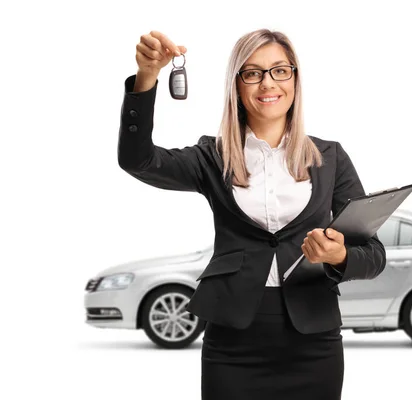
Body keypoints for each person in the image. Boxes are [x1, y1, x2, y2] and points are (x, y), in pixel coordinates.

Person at [117, 29, 386, 400]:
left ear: (294, 79)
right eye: (253, 72)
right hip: (233, 339)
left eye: (279, 71)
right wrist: (147, 77)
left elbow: (374, 256)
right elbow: (138, 160)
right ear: (237, 85)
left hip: (313, 339)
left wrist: (338, 256)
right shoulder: (213, 157)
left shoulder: (330, 158)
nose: (267, 83)